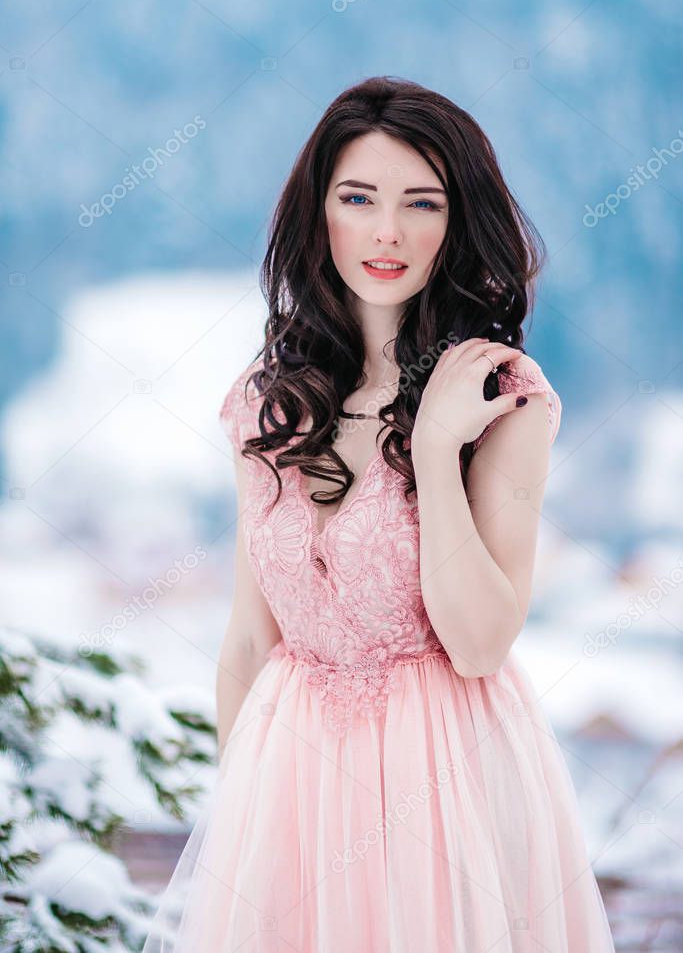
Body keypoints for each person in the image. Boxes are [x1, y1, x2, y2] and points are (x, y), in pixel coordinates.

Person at [142, 76, 615, 951]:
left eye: (420, 202)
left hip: (444, 786)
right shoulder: (268, 400)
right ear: (318, 213)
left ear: (458, 220)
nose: (386, 231)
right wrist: (245, 828)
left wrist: (435, 450)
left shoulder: (500, 397)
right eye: (357, 197)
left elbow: (479, 642)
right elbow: (250, 639)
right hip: (290, 785)